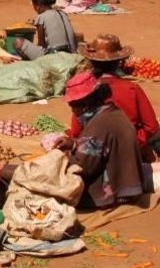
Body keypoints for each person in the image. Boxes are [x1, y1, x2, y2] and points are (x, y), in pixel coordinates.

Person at [55, 72, 147, 209]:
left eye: (73, 106)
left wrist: (61, 158)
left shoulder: (99, 125)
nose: (73, 111)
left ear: (85, 104)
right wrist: (74, 145)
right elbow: (100, 148)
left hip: (112, 195)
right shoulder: (114, 112)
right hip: (129, 185)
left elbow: (83, 167)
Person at [69, 34, 159, 154]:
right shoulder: (132, 89)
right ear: (118, 63)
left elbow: (76, 131)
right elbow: (151, 127)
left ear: (91, 62)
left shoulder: (84, 90)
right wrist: (134, 141)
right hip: (127, 151)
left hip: (93, 152)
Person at [12, 0, 78, 60]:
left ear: (38, 5)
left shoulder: (41, 17)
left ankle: (35, 64)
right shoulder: (62, 13)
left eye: (34, 5)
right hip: (71, 55)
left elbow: (41, 45)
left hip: (54, 57)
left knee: (18, 42)